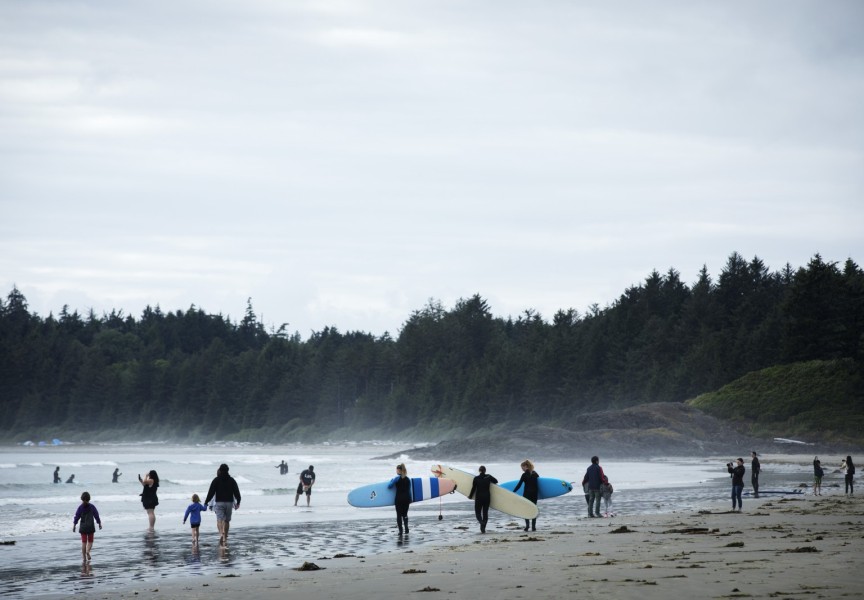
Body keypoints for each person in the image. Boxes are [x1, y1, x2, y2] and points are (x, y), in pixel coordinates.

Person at [205, 463, 241, 547]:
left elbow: (211, 492)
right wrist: (238, 502)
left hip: (219, 502)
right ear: (228, 470)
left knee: (219, 519)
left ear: (220, 470)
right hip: (229, 502)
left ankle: (221, 533)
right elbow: (236, 492)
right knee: (227, 521)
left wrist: (206, 502)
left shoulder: (216, 480)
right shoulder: (232, 480)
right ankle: (225, 537)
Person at [73, 491, 102, 563]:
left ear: (82, 499)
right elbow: (96, 515)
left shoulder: (80, 508)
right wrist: (99, 523)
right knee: (90, 541)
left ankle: (84, 557)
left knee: (84, 542)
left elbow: (76, 517)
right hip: (90, 526)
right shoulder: (92, 507)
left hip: (83, 527)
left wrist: (74, 525)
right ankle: (88, 551)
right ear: (89, 499)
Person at [468, 465, 498, 533]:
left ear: (479, 471)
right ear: (485, 471)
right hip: (487, 497)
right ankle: (483, 528)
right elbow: (496, 481)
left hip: (479, 497)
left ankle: (481, 522)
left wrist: (470, 496)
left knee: (478, 512)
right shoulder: (488, 476)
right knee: (485, 513)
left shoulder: (476, 478)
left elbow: (473, 488)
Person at [511, 459, 539, 531]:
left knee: (526, 509)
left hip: (527, 494)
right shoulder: (535, 473)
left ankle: (527, 526)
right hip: (534, 494)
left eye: (522, 467)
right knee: (534, 509)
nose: (522, 469)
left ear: (526, 466)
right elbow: (540, 482)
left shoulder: (524, 475)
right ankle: (533, 527)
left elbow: (519, 485)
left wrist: (513, 492)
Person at [387, 463, 412, 535]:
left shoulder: (396, 478)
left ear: (399, 470)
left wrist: (391, 481)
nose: (396, 471)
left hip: (399, 498)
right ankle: (406, 528)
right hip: (407, 498)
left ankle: (401, 531)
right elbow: (409, 490)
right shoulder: (408, 479)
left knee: (399, 515)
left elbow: (389, 486)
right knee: (405, 514)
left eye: (396, 470)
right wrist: (410, 499)